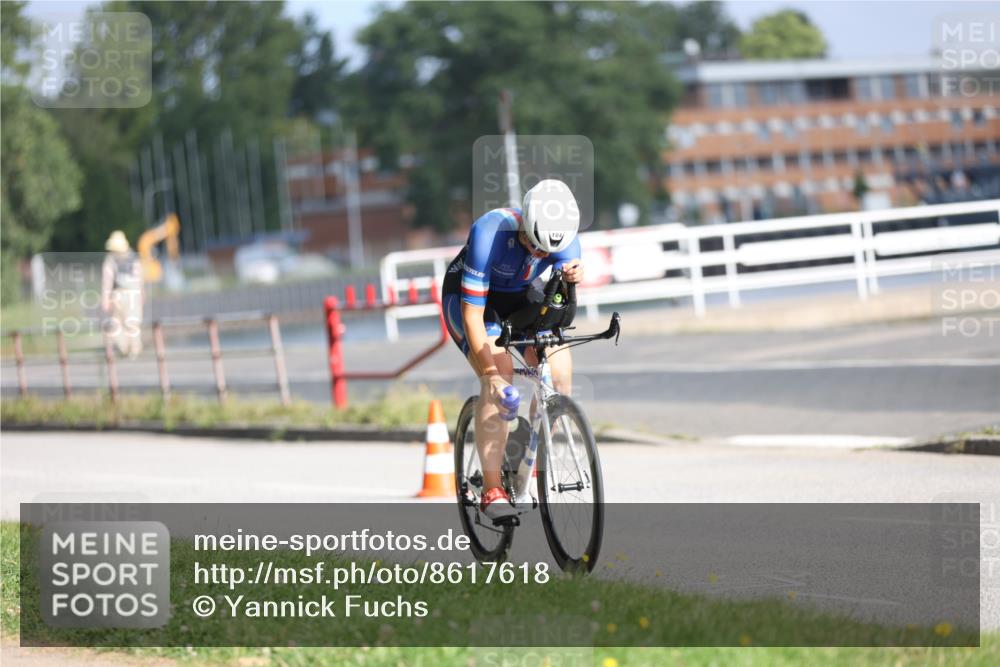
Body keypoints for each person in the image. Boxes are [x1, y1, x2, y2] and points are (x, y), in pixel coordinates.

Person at [442, 179, 584, 520]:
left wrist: (573, 277)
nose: (538, 254)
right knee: (501, 376)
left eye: (545, 253)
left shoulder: (564, 237)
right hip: (474, 302)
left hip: (521, 296)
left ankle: (524, 461)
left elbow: (560, 301)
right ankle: (491, 487)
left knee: (559, 372)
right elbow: (473, 314)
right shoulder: (490, 232)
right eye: (532, 245)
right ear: (523, 225)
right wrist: (489, 374)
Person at [101, 230, 145, 359]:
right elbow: (139, 277)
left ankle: (128, 348)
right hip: (129, 294)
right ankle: (131, 349)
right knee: (129, 323)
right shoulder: (132, 258)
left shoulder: (111, 260)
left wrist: (105, 298)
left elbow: (107, 281)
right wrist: (142, 293)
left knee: (120, 324)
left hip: (121, 294)